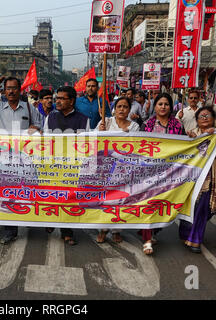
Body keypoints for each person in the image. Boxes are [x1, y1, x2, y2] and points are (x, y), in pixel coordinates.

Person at [0, 76, 42, 244]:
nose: (11, 91)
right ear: (4, 91)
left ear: (20, 90)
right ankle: (10, 230)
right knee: (6, 192)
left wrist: (36, 128)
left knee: (24, 190)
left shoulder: (29, 108)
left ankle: (27, 219)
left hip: (24, 159)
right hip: (2, 158)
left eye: (14, 88)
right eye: (8, 88)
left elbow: (41, 124)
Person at [179, 107, 216, 253]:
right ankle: (187, 233)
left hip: (211, 178)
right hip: (191, 179)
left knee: (204, 209)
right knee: (189, 207)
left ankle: (195, 239)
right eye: (201, 116)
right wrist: (192, 140)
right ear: (196, 120)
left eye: (207, 115)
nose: (204, 118)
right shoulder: (191, 135)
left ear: (214, 118)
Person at [43, 86, 90, 245]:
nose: (57, 101)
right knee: (52, 196)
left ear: (71, 101)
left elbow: (86, 146)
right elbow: (45, 142)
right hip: (54, 165)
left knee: (69, 199)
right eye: (57, 98)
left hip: (72, 167)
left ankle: (67, 231)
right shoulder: (50, 117)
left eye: (62, 98)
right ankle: (50, 222)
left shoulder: (84, 120)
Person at [139, 92, 184, 255]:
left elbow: (185, 146)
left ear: (171, 107)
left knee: (165, 204)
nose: (163, 107)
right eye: (160, 104)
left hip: (171, 172)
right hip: (150, 172)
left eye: (166, 104)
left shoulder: (178, 125)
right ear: (155, 106)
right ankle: (147, 239)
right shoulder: (147, 125)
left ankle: (152, 231)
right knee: (149, 204)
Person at [95, 96, 140, 244]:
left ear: (129, 109)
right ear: (114, 109)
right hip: (105, 168)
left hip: (124, 169)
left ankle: (116, 230)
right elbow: (93, 140)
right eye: (119, 106)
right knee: (105, 198)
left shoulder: (134, 127)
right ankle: (103, 228)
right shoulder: (105, 122)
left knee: (121, 199)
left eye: (125, 107)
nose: (122, 109)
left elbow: (137, 145)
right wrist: (100, 131)